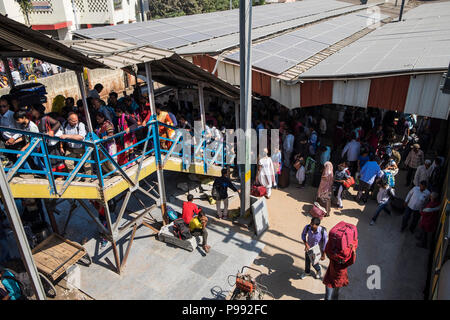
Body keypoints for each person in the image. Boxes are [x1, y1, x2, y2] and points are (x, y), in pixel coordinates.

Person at [60, 113, 92, 180]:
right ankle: (76, 176)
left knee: (87, 164)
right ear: (69, 120)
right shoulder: (65, 125)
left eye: (76, 120)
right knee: (68, 163)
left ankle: (89, 178)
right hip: (70, 148)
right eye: (73, 121)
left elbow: (80, 137)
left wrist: (67, 136)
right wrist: (61, 146)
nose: (75, 122)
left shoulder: (81, 125)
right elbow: (61, 136)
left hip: (82, 148)